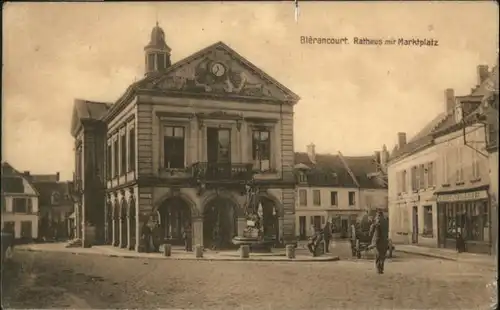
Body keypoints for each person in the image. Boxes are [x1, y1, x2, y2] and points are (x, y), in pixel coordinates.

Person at [369, 210, 389, 274]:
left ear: (378, 215)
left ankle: (378, 269)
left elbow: (373, 231)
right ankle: (381, 268)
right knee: (382, 256)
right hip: (385, 241)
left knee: (378, 255)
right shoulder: (386, 221)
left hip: (378, 241)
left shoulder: (377, 221)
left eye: (377, 215)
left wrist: (371, 230)